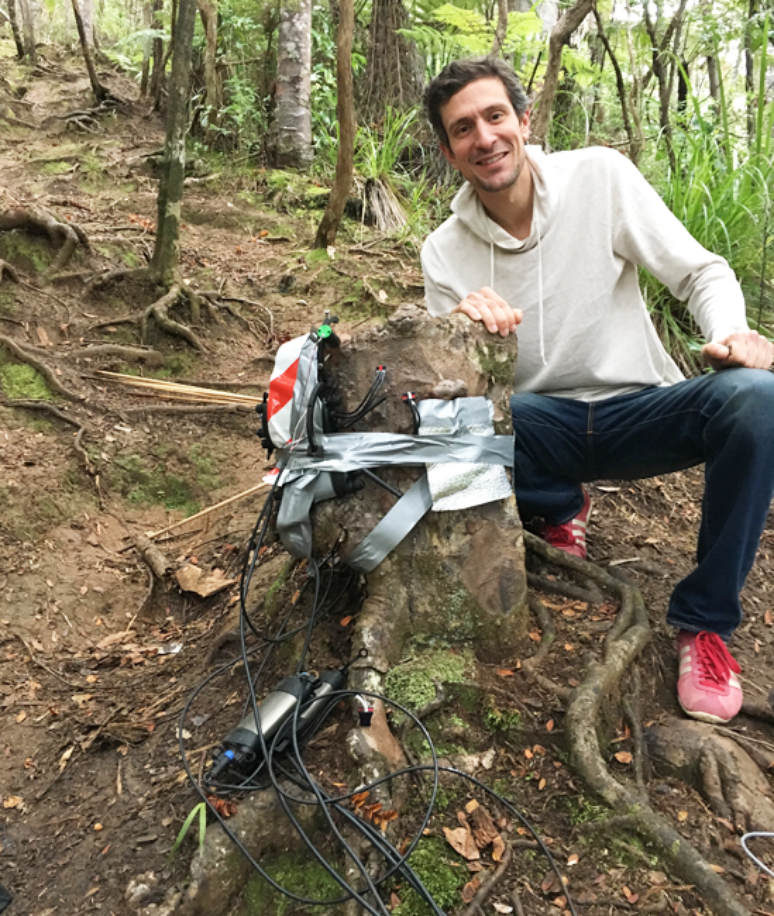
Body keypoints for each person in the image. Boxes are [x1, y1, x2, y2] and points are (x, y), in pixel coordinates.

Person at [420, 57, 774, 725]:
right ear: (448, 152)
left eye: (496, 116)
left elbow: (701, 272)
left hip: (638, 412)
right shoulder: (443, 252)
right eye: (463, 129)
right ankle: (552, 513)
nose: (485, 137)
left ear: (524, 121)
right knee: (454, 422)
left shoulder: (599, 178)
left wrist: (732, 335)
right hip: (539, 424)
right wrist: (465, 335)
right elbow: (449, 386)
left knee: (757, 399)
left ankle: (704, 627)